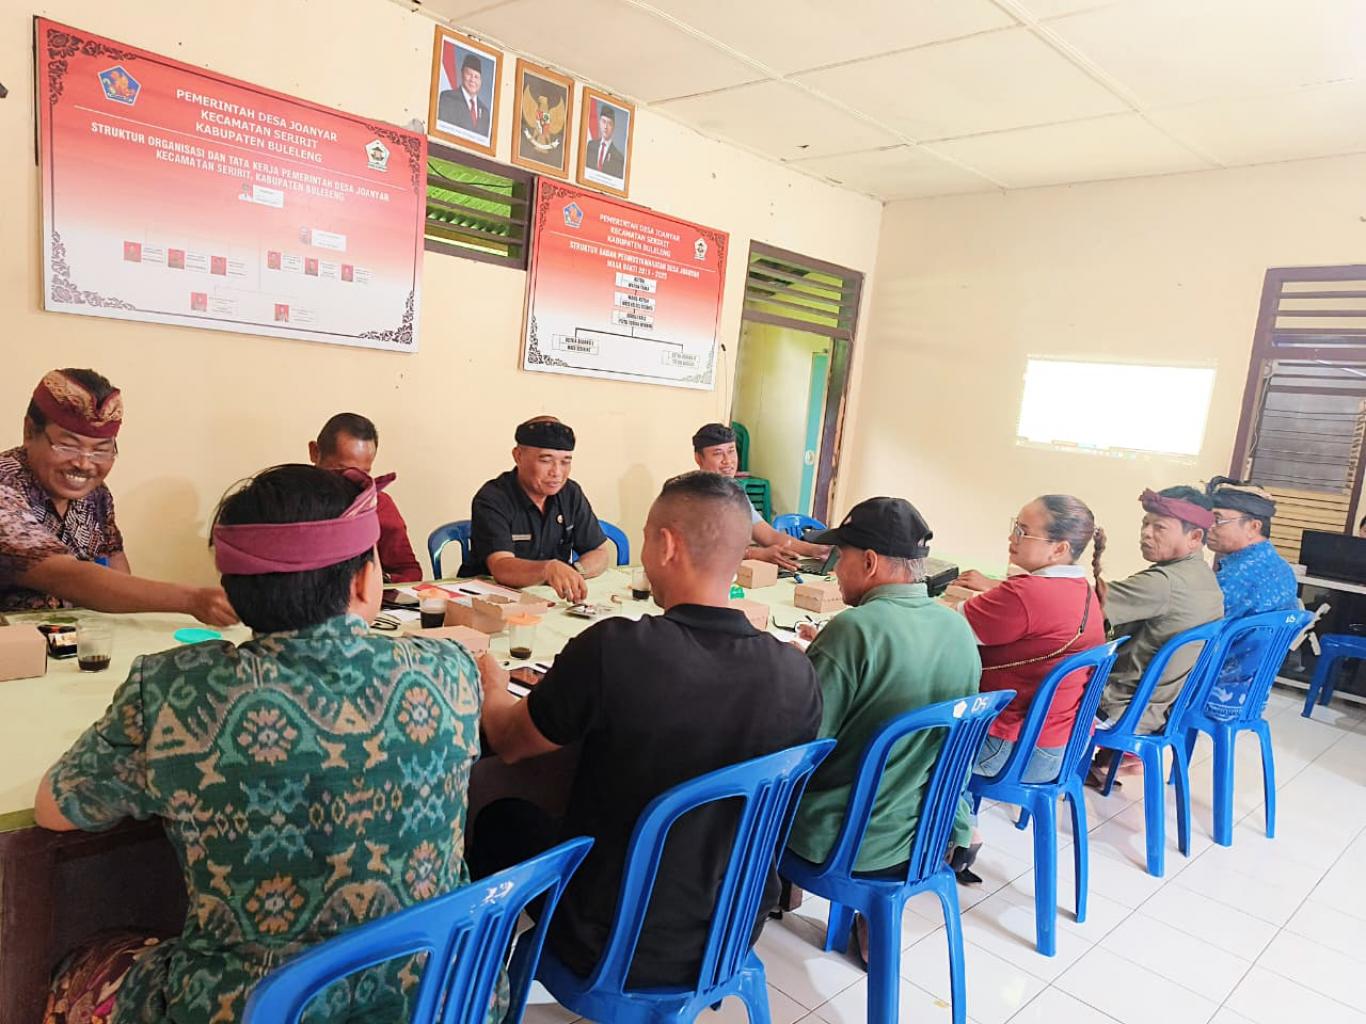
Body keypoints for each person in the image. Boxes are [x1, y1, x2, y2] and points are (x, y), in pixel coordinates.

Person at [35, 464, 490, 1024]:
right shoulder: (448, 669)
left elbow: (54, 808)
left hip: (249, 1007)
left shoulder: (176, 688)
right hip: (437, 999)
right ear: (362, 581)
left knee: (83, 960)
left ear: (233, 588)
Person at [471, 471, 822, 988]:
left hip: (610, 935)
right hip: (732, 928)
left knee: (499, 818)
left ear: (666, 545)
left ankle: (481, 989)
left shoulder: (614, 649)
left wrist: (492, 684)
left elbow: (509, 742)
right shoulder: (797, 672)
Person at [785, 497, 979, 956]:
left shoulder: (854, 630)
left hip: (847, 839)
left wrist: (799, 672)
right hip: (925, 832)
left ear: (869, 562)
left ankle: (754, 913)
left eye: (841, 557)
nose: (835, 570)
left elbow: (802, 746)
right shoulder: (957, 629)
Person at [0, 368, 235, 625]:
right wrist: (191, 600)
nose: (84, 464)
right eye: (68, 446)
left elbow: (114, 563)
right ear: (29, 431)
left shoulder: (96, 495)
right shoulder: (5, 485)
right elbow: (67, 577)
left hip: (78, 640)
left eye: (101, 450)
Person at [1086, 487, 1224, 785]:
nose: (1146, 533)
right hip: (1159, 708)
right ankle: (1110, 761)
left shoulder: (1163, 583)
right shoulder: (1206, 580)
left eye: (1159, 527)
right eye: (1145, 524)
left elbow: (1078, 606)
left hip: (1120, 708)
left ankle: (1036, 766)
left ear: (1195, 537)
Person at [462, 416, 611, 602]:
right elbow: (501, 566)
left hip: (550, 600)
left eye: (565, 462)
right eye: (546, 460)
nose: (556, 472)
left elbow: (600, 552)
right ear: (518, 456)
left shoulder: (570, 493)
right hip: (491, 601)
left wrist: (572, 572)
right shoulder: (493, 497)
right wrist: (548, 570)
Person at [1204, 477, 1299, 721]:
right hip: (1253, 694)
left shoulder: (1238, 576)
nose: (1208, 527)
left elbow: (1197, 633)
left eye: (1217, 520)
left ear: (1253, 527)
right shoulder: (1281, 568)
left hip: (1212, 692)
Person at [691, 422, 830, 569]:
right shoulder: (691, 496)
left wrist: (816, 550)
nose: (728, 461)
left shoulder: (735, 494)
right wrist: (755, 554)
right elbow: (704, 550)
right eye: (718, 453)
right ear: (699, 458)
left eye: (731, 451)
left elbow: (769, 536)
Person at [308, 412, 423, 582]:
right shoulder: (289, 503)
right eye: (342, 472)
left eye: (363, 474)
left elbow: (409, 572)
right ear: (315, 452)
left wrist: (375, 581)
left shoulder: (378, 505)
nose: (353, 484)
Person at [438, 52, 491, 136]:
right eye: (469, 74)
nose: (472, 80)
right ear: (462, 74)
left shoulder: (485, 112)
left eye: (476, 77)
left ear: (480, 81)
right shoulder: (448, 98)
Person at [585, 105, 625, 179]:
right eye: (603, 121)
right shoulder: (590, 145)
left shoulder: (619, 158)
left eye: (609, 123)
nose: (605, 127)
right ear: (599, 122)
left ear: (613, 127)